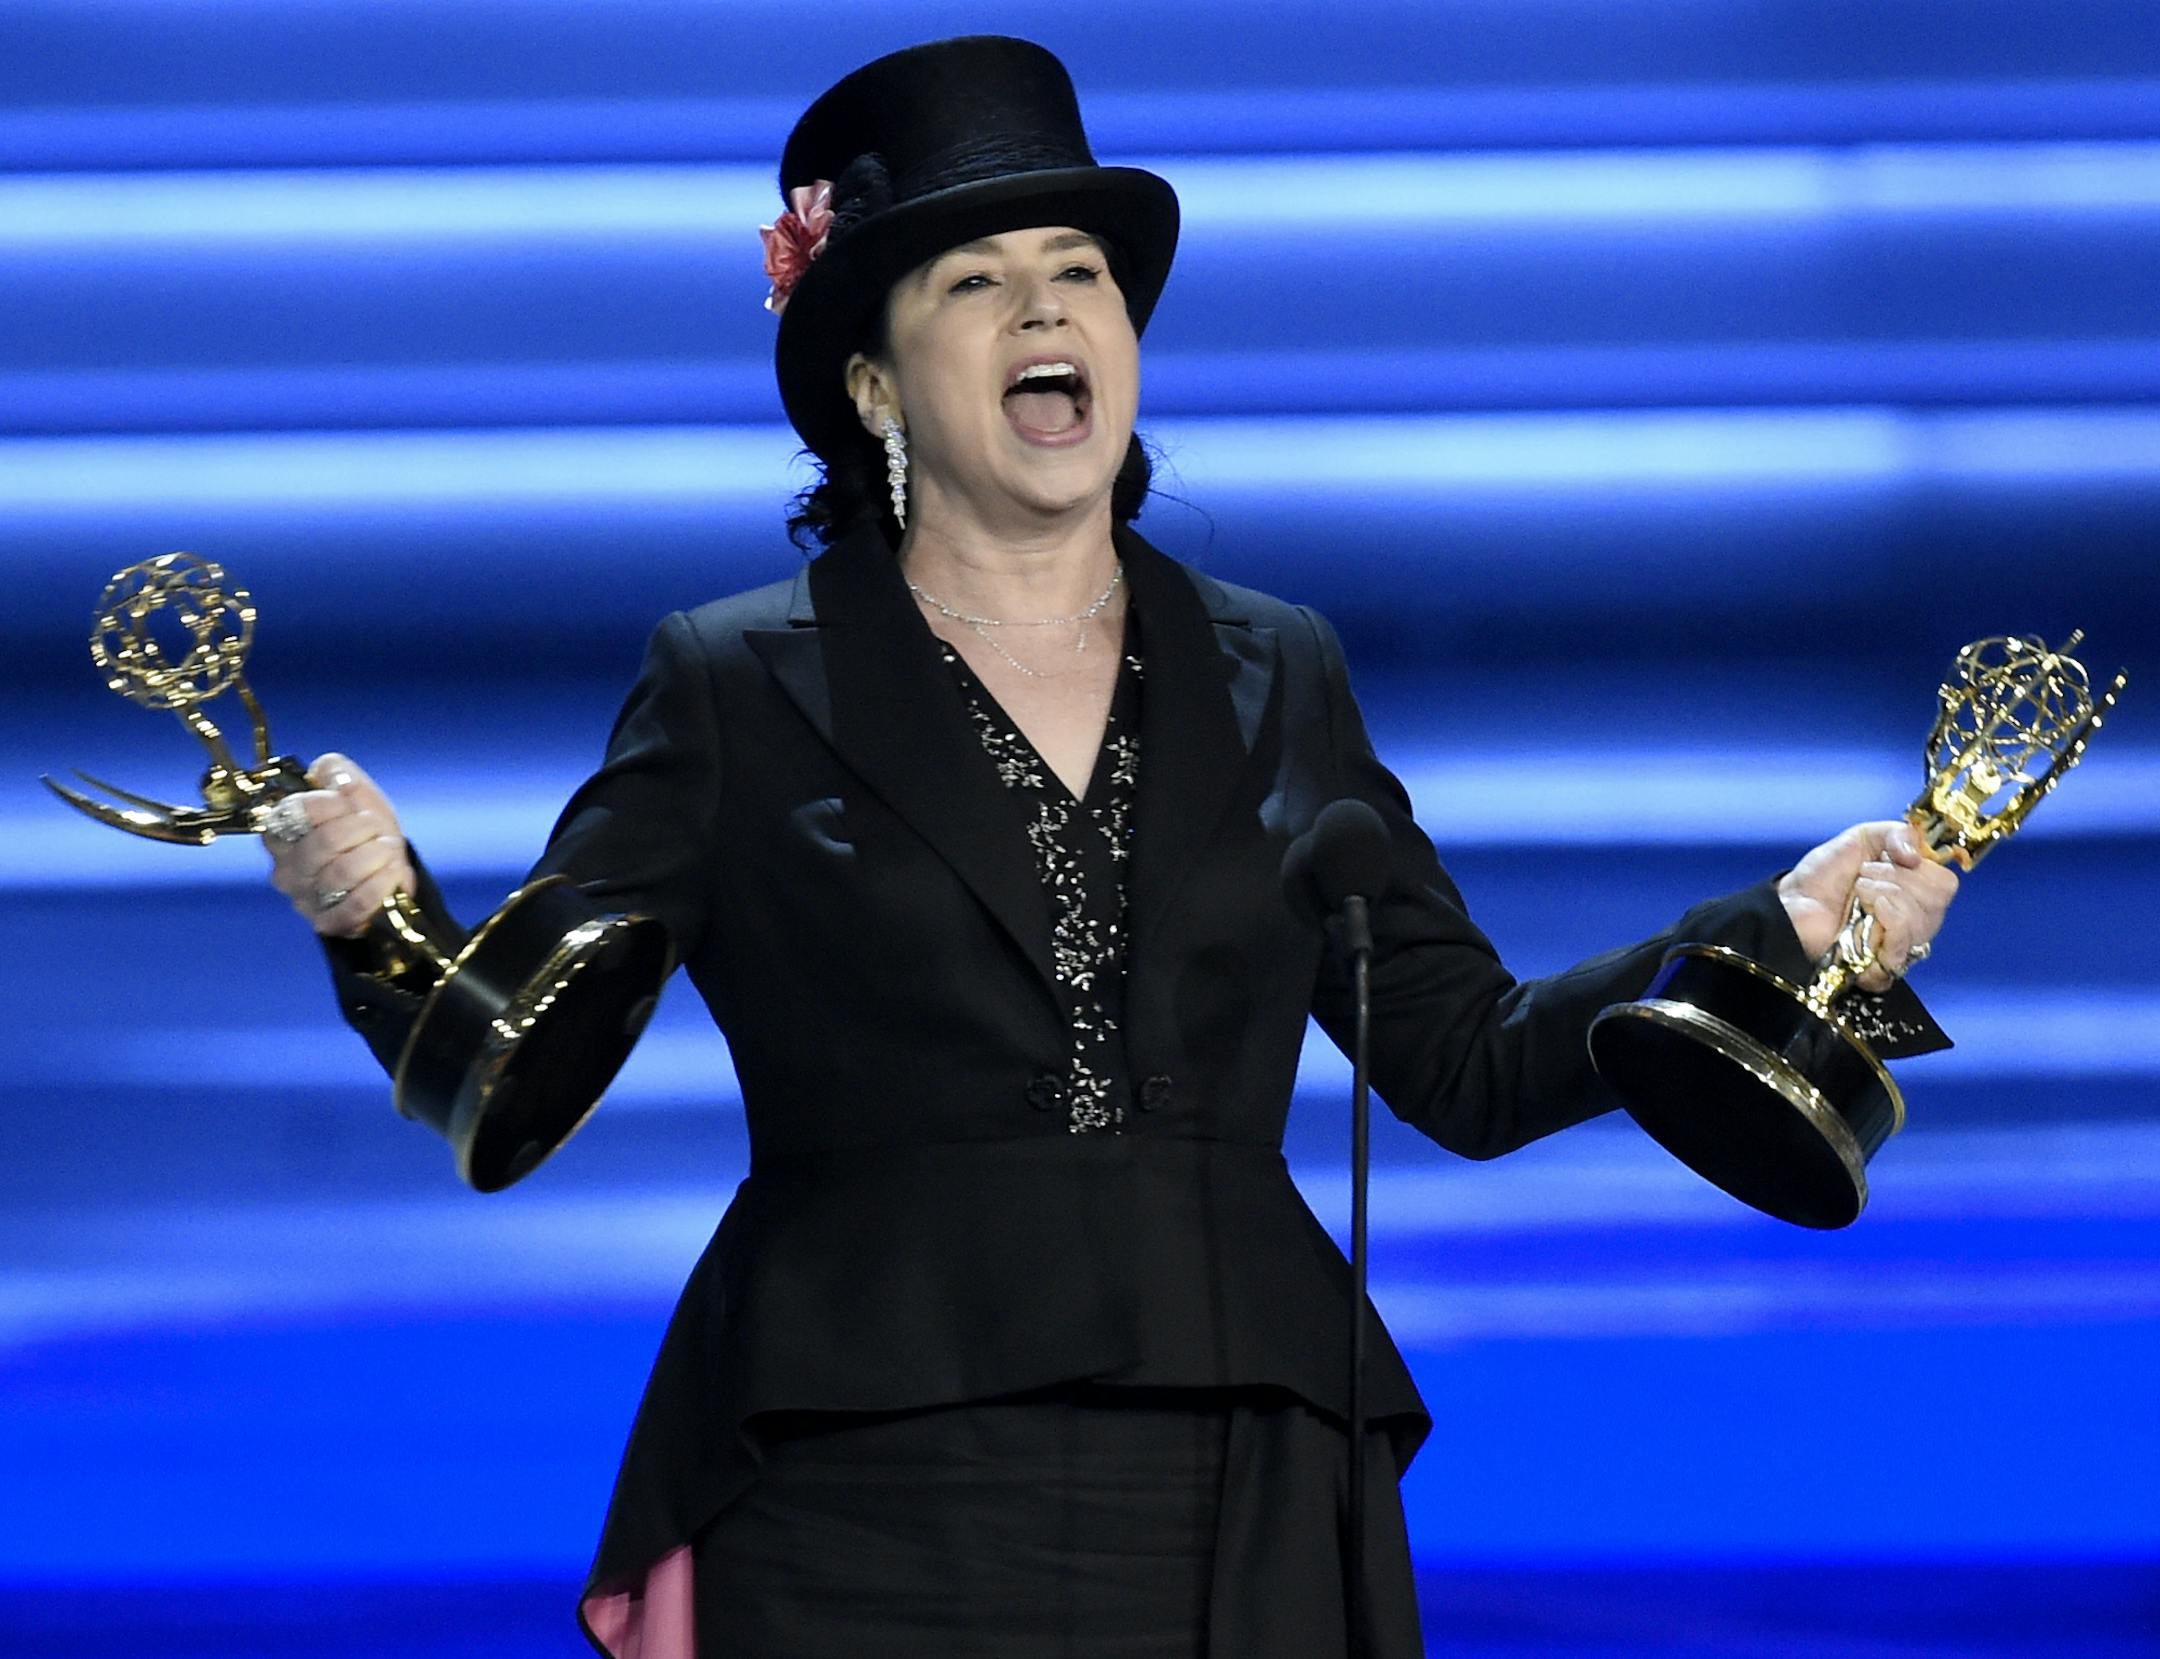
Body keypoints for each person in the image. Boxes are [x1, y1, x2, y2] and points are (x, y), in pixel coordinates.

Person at [259, 35, 1960, 1659]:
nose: (1044, 309)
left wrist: (1774, 928)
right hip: (868, 1468)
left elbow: (1464, 1063)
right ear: (872, 386)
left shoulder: (1275, 664)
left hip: (1242, 1448)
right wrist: (374, 917)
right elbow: (520, 1056)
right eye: (974, 283)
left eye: (1074, 270)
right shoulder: (733, 681)